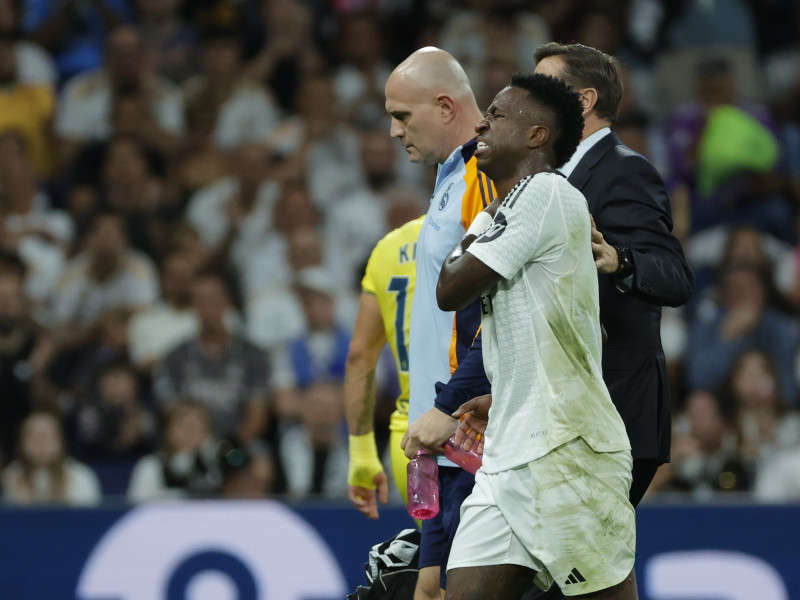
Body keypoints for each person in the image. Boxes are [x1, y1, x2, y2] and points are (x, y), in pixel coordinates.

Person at [437, 72, 637, 600]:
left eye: (497, 114)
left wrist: (471, 237)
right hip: (508, 452)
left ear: (536, 136)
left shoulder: (546, 193)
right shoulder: (500, 211)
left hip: (566, 449)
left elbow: (449, 286)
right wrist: (504, 392)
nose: (480, 122)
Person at [533, 42, 695, 507]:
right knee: (584, 575)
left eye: (544, 85)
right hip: (569, 411)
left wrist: (621, 260)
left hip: (616, 409)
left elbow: (675, 276)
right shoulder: (552, 176)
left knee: (576, 571)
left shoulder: (626, 172)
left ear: (584, 100)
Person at [385, 47, 496, 599]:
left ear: (446, 106)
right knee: (428, 590)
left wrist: (453, 403)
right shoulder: (453, 174)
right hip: (439, 435)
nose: (391, 130)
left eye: (402, 116)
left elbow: (499, 305)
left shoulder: (485, 172)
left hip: (467, 430)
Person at [345, 215, 425, 519]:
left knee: (437, 557)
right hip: (474, 430)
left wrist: (362, 452)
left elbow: (359, 354)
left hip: (408, 440)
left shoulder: (388, 247)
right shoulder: (478, 230)